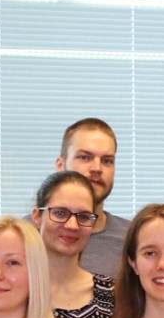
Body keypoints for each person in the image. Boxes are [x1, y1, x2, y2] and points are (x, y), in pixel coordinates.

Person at [32, 170, 115, 318]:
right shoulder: (15, 293)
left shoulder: (114, 294)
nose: (72, 225)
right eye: (60, 213)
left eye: (83, 216)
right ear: (37, 217)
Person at [54, 117, 130, 277]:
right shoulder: (25, 237)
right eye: (85, 157)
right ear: (61, 166)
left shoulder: (133, 239)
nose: (97, 168)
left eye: (107, 161)